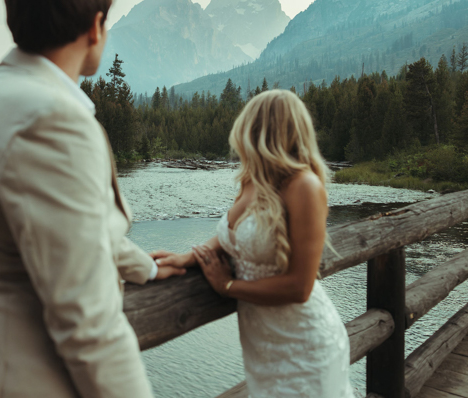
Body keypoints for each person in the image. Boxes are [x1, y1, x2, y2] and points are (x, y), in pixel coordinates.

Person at [0, 0, 184, 398]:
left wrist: (144, 267)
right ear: (95, 26)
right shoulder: (51, 120)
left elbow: (66, 231)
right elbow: (88, 320)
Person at [152, 90, 354, 397]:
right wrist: (188, 258)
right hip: (262, 345)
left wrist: (228, 287)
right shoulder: (252, 180)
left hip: (305, 346)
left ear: (260, 130)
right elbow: (232, 237)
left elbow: (300, 287)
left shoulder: (305, 186)